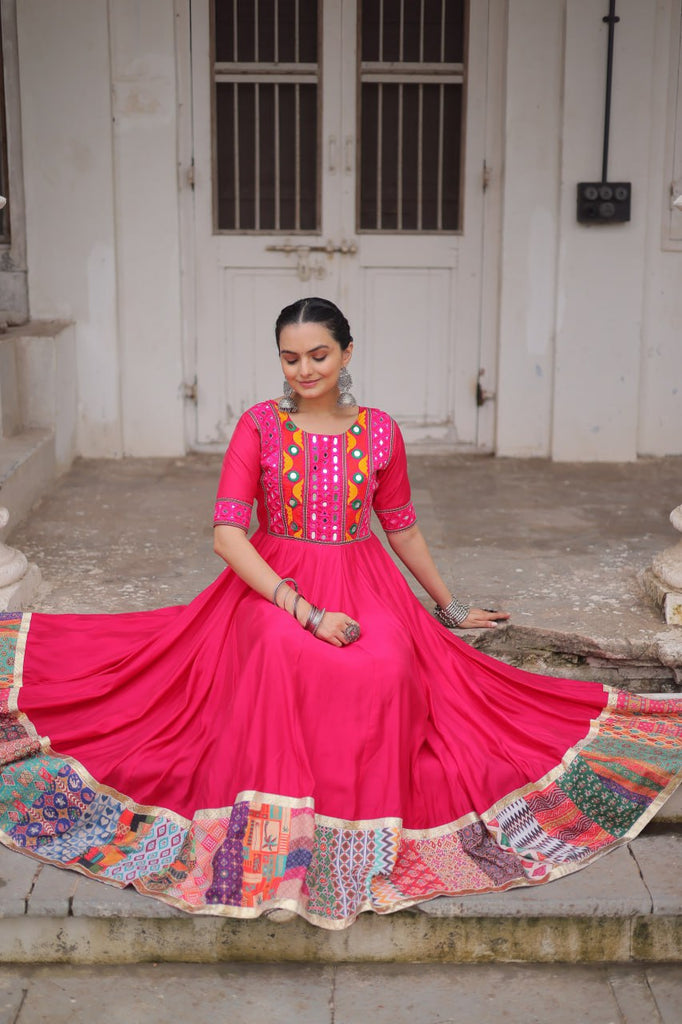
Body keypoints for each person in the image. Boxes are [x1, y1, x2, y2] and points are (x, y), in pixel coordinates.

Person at [1, 297, 680, 930]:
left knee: (385, 668)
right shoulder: (260, 426)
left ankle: (355, 835)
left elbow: (402, 526)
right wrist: (304, 609)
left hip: (362, 576)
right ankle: (279, 840)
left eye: (318, 355)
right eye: (290, 358)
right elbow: (227, 536)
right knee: (283, 651)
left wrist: (447, 606)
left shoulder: (379, 432)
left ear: (347, 354)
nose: (304, 370)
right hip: (270, 585)